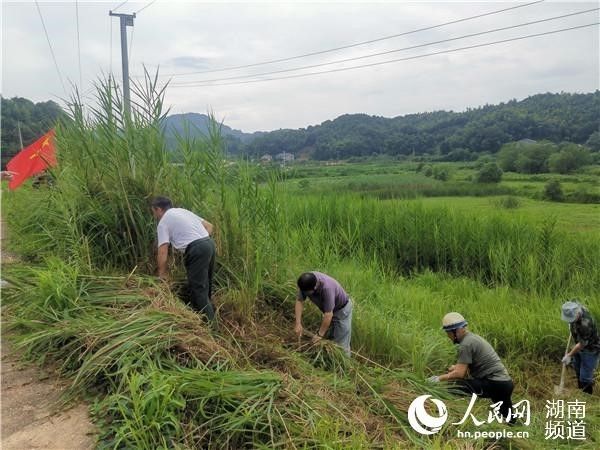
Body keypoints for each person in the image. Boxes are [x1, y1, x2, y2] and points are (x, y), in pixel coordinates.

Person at [429, 312, 515, 422]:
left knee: (454, 386)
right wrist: (456, 367)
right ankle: (515, 431)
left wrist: (438, 378)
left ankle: (450, 415)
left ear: (455, 331)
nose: (448, 336)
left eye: (448, 333)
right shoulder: (473, 338)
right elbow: (470, 365)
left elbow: (460, 374)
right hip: (505, 384)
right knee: (509, 418)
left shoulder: (466, 344)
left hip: (495, 383)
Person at [151, 196, 216, 321]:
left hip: (198, 249)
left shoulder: (163, 222)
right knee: (205, 286)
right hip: (209, 244)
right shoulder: (182, 211)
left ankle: (212, 330)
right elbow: (209, 226)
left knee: (198, 290)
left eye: (153, 212)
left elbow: (163, 250)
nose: (154, 215)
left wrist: (162, 274)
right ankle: (205, 316)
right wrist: (199, 240)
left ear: (158, 209)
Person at [295, 271, 353, 356]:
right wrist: (298, 323)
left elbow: (328, 315)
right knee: (329, 338)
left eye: (307, 293)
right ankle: (328, 359)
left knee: (340, 344)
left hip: (342, 311)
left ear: (314, 288)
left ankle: (345, 366)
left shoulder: (327, 288)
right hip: (329, 311)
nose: (305, 294)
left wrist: (319, 335)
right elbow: (299, 301)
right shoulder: (306, 283)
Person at [561, 300, 599, 395]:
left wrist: (569, 355)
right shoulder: (575, 307)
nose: (571, 321)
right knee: (577, 368)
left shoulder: (585, 324)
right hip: (578, 344)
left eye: (572, 319)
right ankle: (580, 389)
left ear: (578, 313)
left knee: (585, 377)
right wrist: (571, 325)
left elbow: (582, 344)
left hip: (590, 349)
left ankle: (586, 396)